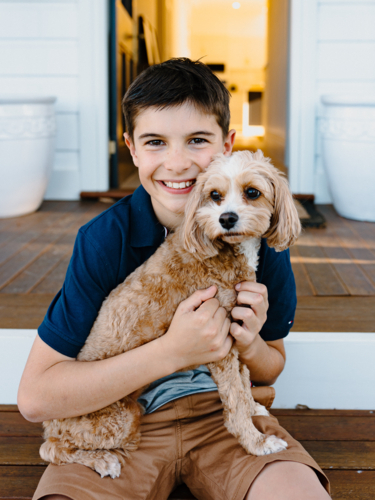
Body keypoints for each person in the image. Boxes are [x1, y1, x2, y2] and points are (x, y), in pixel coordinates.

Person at [18, 58, 331, 500]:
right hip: (125, 415)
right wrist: (172, 351)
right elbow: (35, 399)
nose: (178, 163)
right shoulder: (105, 239)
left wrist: (249, 340)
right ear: (131, 149)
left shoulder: (254, 234)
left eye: (198, 140)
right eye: (155, 142)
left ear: (228, 144)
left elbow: (271, 365)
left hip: (222, 415)